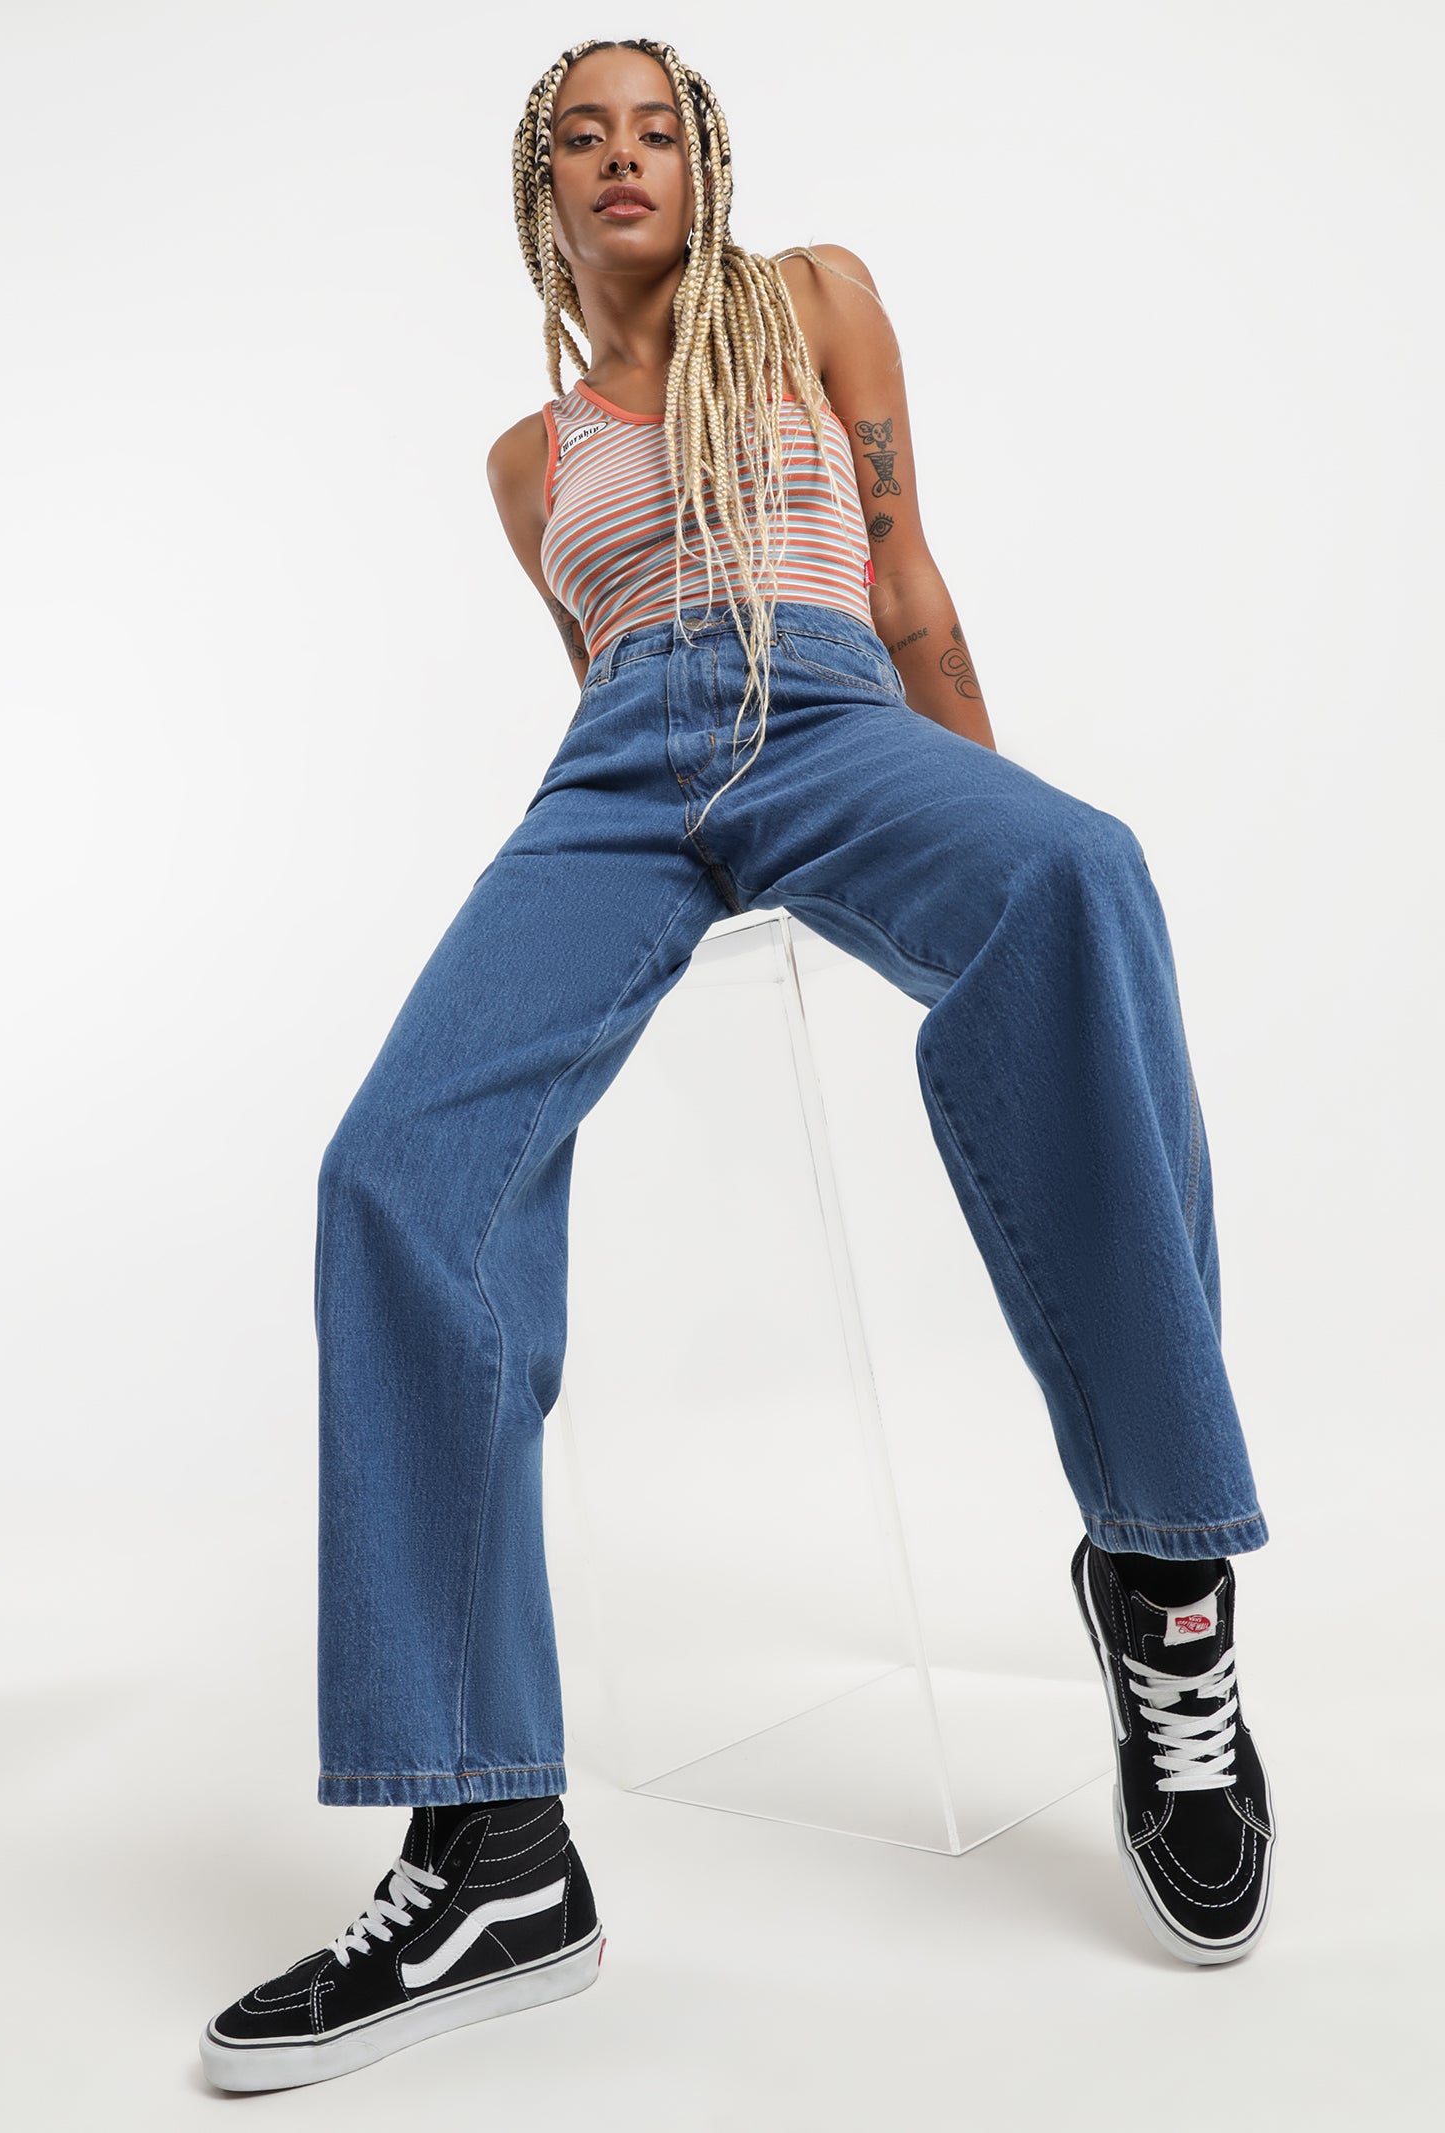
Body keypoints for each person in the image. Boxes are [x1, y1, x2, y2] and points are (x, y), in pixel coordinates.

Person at [199, 35, 1277, 2094]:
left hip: (829, 701)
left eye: (656, 128)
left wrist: (988, 831)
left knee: (1080, 875)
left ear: (706, 161)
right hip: (619, 771)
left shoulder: (811, 301)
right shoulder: (527, 466)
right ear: (541, 188)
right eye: (580, 136)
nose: (623, 157)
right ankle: (493, 1846)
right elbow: (599, 683)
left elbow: (907, 581)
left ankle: (1162, 1573)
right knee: (393, 1172)